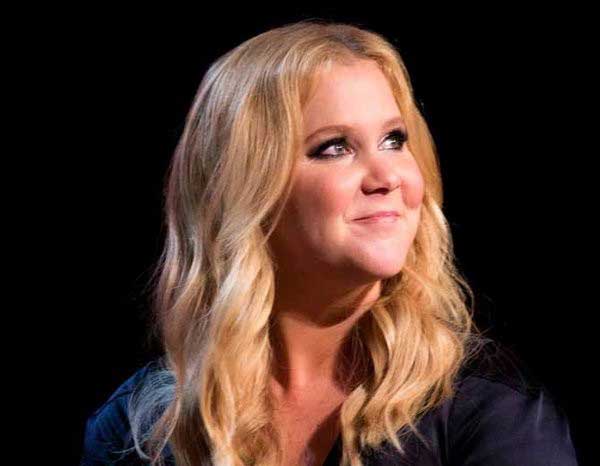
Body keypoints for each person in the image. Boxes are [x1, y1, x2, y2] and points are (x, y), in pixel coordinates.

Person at [80, 19, 579, 466]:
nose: (387, 176)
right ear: (247, 189)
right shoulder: (140, 430)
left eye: (394, 140)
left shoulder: (491, 410)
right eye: (335, 147)